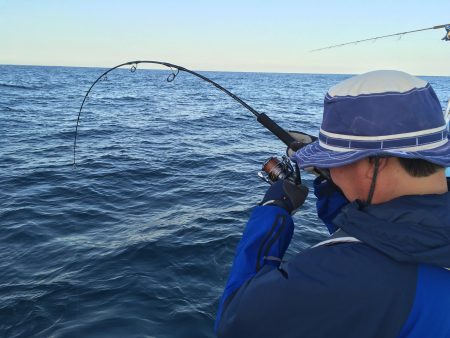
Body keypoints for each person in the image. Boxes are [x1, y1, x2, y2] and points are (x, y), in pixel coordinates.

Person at [215, 70, 450, 338]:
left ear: (375, 165)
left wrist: (272, 212)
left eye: (335, 160)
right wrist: (331, 181)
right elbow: (384, 233)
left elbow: (235, 320)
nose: (330, 168)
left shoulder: (344, 280)